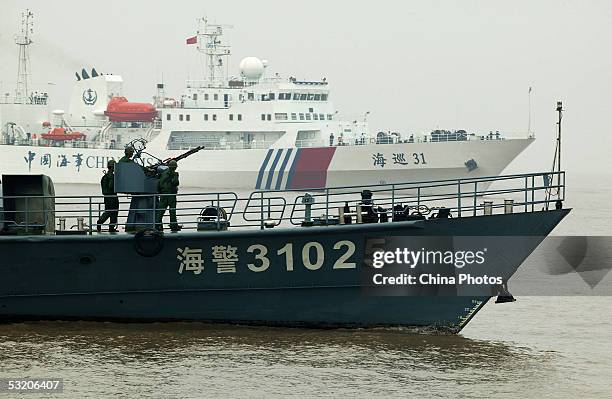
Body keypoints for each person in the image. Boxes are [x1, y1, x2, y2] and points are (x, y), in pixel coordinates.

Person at [155, 160, 181, 232]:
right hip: (171, 195)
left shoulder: (164, 173)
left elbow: (159, 184)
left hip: (163, 194)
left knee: (161, 211)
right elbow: (176, 183)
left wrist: (161, 192)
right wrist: (176, 176)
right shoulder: (173, 174)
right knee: (172, 211)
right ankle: (173, 225)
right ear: (175, 167)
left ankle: (157, 225)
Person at [96, 160, 119, 232]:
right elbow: (111, 186)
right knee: (114, 212)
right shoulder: (111, 176)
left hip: (106, 197)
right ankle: (110, 227)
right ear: (112, 167)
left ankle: (100, 222)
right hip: (112, 197)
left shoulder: (104, 176)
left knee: (108, 211)